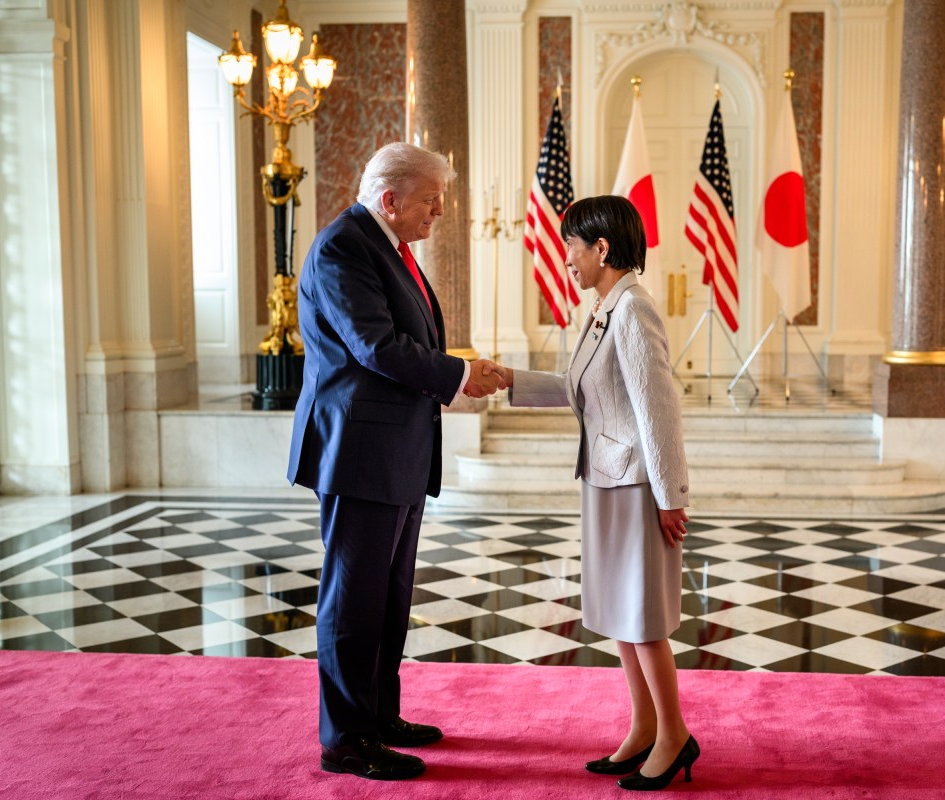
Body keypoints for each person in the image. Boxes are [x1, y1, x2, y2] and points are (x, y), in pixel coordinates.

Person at [287, 142, 501, 781]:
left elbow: (406, 340)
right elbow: (376, 346)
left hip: (396, 451)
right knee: (353, 600)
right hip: (360, 452)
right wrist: (458, 375)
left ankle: (379, 717)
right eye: (432, 201)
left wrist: (454, 368)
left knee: (388, 598)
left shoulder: (389, 248)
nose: (439, 213)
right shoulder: (343, 247)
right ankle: (347, 739)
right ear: (391, 199)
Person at [493, 195, 700, 791]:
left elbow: (659, 412)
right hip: (605, 478)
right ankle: (642, 728)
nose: (566, 259)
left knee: (644, 618)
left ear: (601, 248)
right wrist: (511, 379)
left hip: (637, 484)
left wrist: (671, 496)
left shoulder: (633, 310)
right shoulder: (605, 308)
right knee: (619, 616)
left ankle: (675, 736)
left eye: (571, 246)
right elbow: (577, 389)